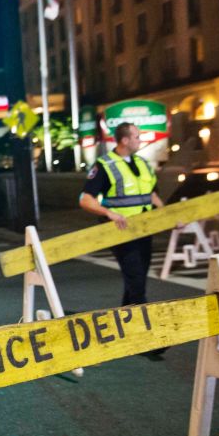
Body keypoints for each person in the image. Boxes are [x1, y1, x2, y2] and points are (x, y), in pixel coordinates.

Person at [79, 121, 165, 311]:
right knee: (136, 280)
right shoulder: (104, 165)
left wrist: (169, 217)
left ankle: (125, 321)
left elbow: (153, 195)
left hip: (144, 231)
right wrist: (109, 213)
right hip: (122, 233)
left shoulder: (142, 164)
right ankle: (145, 329)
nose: (140, 140)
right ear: (124, 140)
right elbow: (86, 199)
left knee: (137, 278)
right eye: (137, 137)